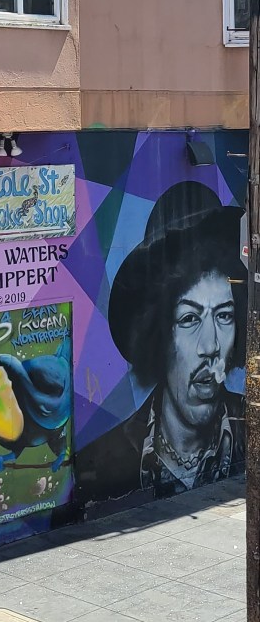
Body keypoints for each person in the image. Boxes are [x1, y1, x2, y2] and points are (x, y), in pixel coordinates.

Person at [75, 182, 246, 504]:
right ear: (159, 335)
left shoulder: (250, 427)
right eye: (189, 319)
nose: (210, 346)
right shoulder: (102, 460)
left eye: (224, 315)